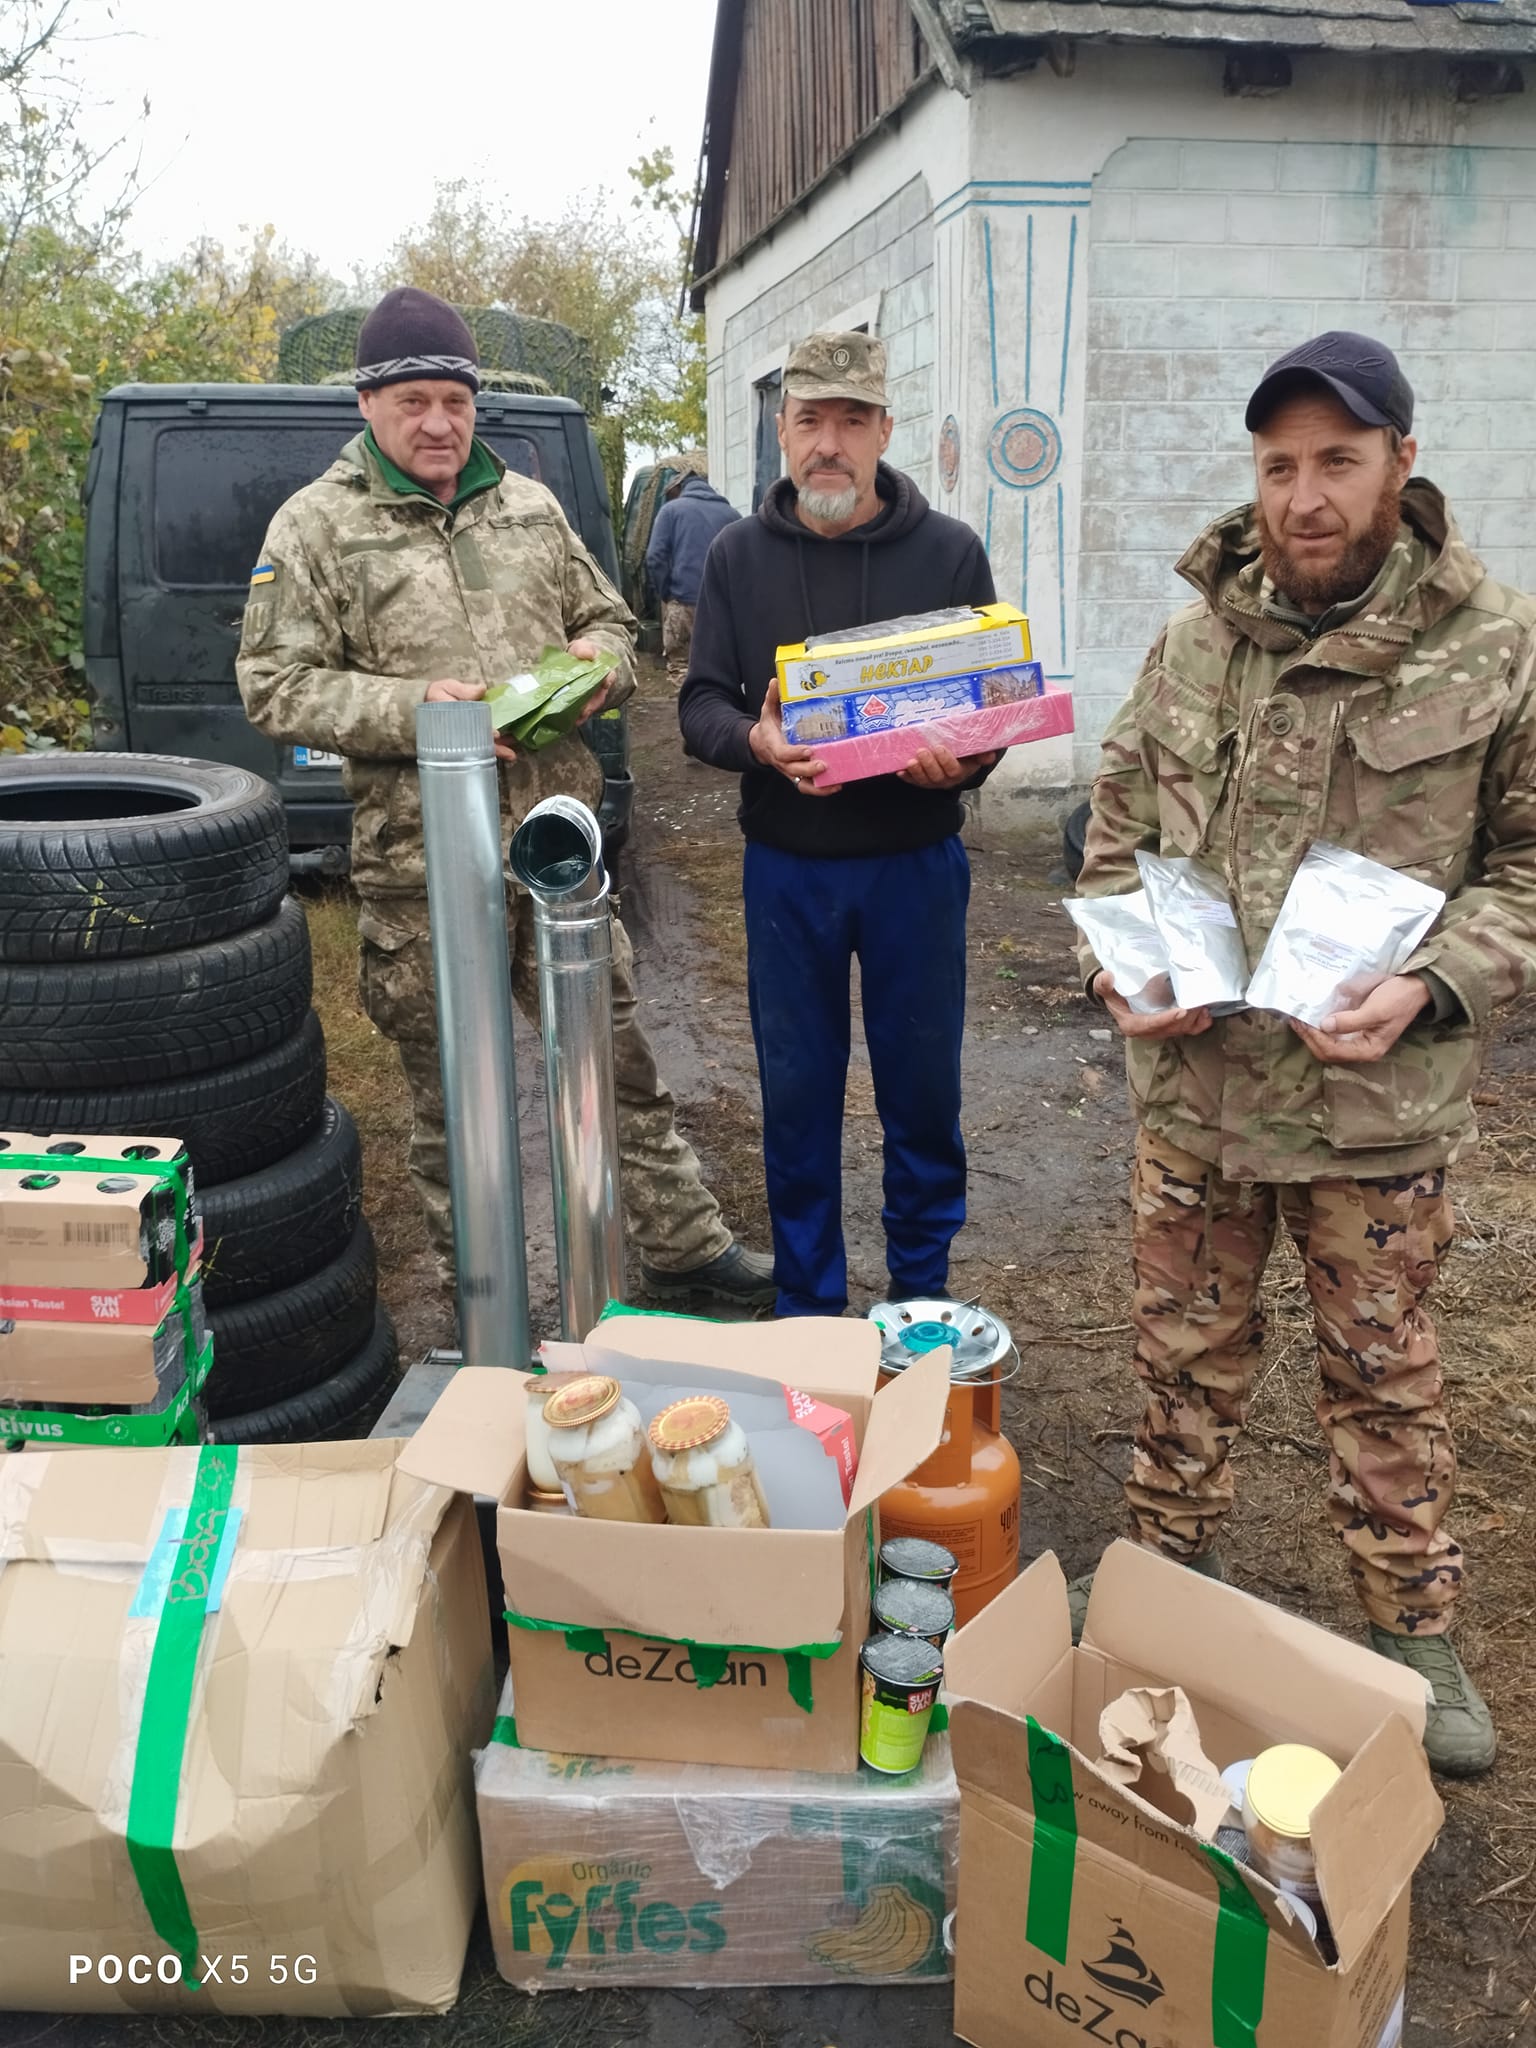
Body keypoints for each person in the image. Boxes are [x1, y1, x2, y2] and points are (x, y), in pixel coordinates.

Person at [1073, 330, 1536, 1776]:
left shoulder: (1495, 645)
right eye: (1280, 466)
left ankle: (1411, 1624)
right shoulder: (1195, 639)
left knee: (1383, 1370)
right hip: (1199, 1091)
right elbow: (1115, 830)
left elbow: (1528, 866)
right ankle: (1167, 1567)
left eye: (1339, 460)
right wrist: (1120, 966)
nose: (1306, 496)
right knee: (1180, 1352)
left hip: (1371, 1104)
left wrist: (1437, 982)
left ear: (1403, 462)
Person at [237, 286, 774, 1310]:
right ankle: (482, 1303)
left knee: (616, 1059)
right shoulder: (314, 527)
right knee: (456, 1095)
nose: (439, 422)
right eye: (414, 402)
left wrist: (599, 666)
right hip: (424, 869)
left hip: (556, 847)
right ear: (368, 404)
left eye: (455, 400)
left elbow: (610, 622)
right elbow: (274, 685)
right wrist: (415, 708)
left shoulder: (530, 505)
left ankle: (683, 1250)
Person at [679, 330, 1002, 1317]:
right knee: (798, 1094)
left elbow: (993, 711)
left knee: (923, 1092)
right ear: (781, 430)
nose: (830, 443)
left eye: (852, 421)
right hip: (790, 870)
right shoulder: (737, 557)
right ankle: (809, 1307)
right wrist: (757, 741)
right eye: (811, 419)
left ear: (884, 431)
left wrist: (967, 763)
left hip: (915, 867)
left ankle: (921, 1299)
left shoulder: (950, 554)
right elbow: (699, 706)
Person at [645, 460, 739, 687]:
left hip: (683, 603)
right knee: (720, 670)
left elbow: (654, 557)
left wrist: (666, 592)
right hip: (722, 608)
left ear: (679, 488)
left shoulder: (671, 511)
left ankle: (687, 708)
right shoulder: (732, 515)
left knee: (681, 669)